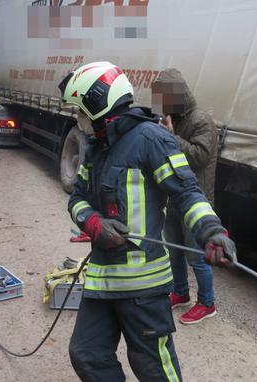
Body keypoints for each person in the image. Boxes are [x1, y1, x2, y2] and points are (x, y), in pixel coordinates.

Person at [62, 62, 236, 382]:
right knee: (87, 355)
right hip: (102, 280)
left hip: (142, 287)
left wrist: (211, 232)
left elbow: (187, 193)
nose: (79, 119)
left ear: (100, 103)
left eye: (81, 110)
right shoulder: (97, 148)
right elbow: (77, 199)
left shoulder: (152, 139)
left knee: (153, 368)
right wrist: (93, 223)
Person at [151, 68, 219, 324]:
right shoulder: (172, 117)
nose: (161, 102)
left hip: (195, 201)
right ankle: (180, 293)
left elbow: (199, 157)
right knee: (174, 252)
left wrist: (170, 137)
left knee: (196, 256)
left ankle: (207, 303)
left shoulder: (201, 120)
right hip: (173, 197)